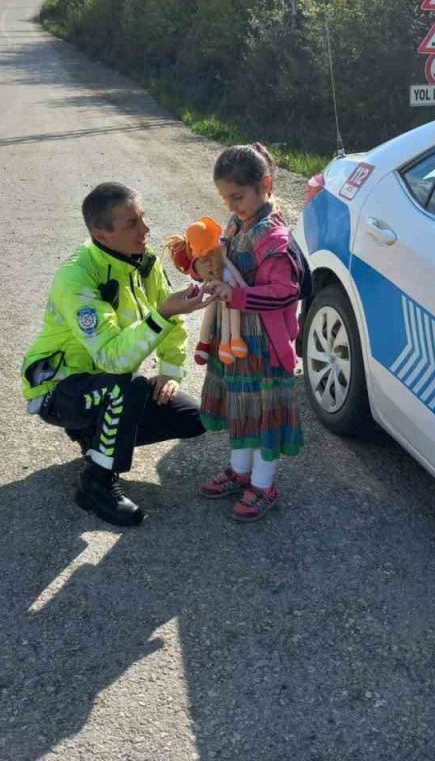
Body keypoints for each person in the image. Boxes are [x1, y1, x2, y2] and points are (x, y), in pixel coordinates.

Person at [21, 182, 209, 527]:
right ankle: (95, 483)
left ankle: (95, 440)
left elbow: (172, 314)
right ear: (102, 234)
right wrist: (162, 315)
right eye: (131, 224)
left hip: (107, 383)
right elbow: (113, 358)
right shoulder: (77, 277)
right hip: (59, 389)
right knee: (126, 385)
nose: (145, 230)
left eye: (143, 218)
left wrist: (169, 371)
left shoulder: (144, 262)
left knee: (196, 417)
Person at [198, 143, 305, 521]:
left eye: (238, 196)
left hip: (265, 347)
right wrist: (205, 267)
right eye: (226, 197)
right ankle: (240, 472)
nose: (231, 205)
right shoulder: (236, 224)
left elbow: (286, 292)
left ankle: (263, 485)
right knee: (242, 411)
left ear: (266, 184)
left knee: (264, 420)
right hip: (237, 344)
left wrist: (237, 295)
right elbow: (223, 259)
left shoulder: (273, 238)